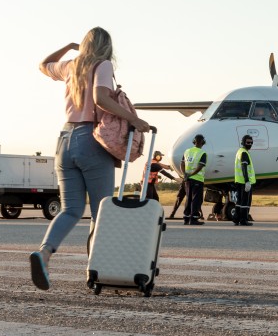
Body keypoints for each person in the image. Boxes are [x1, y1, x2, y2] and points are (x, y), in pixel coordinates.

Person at [29, 27, 151, 291]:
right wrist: (133, 119)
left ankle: (44, 253)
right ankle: (95, 271)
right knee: (101, 213)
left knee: (70, 209)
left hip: (65, 139)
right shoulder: (102, 65)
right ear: (107, 46)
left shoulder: (71, 65)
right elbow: (100, 98)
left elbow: (42, 65)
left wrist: (69, 46)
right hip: (91, 140)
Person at [181, 134, 207, 225]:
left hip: (187, 179)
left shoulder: (187, 151)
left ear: (194, 141)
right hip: (197, 179)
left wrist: (185, 174)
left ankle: (186, 218)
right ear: (203, 142)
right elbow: (200, 166)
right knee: (196, 200)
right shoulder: (202, 153)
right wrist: (192, 174)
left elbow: (182, 164)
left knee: (188, 199)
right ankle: (194, 219)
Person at [233, 134, 255, 226]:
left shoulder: (239, 151)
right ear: (243, 142)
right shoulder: (244, 153)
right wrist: (247, 181)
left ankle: (236, 218)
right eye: (247, 142)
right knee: (245, 202)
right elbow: (244, 167)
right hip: (244, 182)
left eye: (251, 142)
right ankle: (243, 220)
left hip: (239, 181)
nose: (249, 144)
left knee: (239, 201)